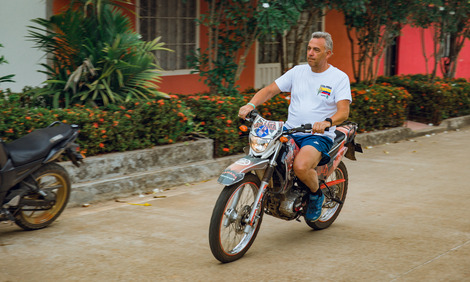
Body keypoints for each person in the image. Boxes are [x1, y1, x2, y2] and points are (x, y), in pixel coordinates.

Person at [238, 31, 352, 222]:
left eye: (316, 49)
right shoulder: (297, 72)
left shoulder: (338, 78)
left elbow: (343, 112)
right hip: (290, 130)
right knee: (262, 154)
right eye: (309, 48)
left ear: (328, 53)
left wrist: (327, 122)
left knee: (300, 166)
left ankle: (316, 196)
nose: (310, 53)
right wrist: (251, 105)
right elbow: (269, 90)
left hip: (317, 135)